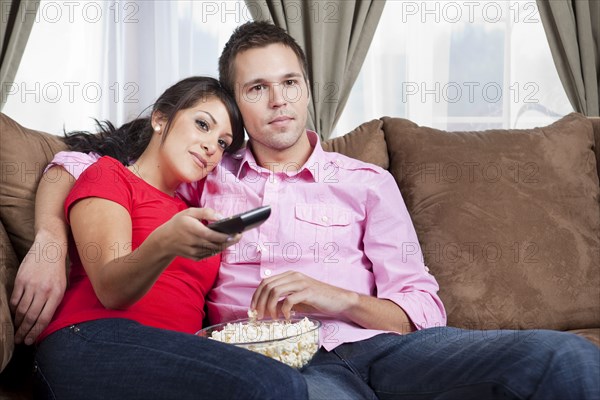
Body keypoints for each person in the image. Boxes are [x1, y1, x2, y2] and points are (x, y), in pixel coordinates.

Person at [13, 21, 600, 400]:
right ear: (236, 106)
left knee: (564, 355)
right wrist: (49, 240)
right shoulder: (206, 173)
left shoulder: (367, 181)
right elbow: (77, 164)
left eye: (290, 82)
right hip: (280, 363)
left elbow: (423, 305)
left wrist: (335, 297)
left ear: (307, 87)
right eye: (257, 89)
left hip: (384, 347)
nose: (279, 101)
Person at [29, 76, 308, 399]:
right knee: (277, 384)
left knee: (283, 377)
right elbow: (110, 289)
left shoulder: (192, 211)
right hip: (90, 337)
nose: (211, 148)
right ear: (160, 119)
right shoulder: (109, 174)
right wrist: (165, 243)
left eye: (222, 143)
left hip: (173, 350)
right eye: (203, 125)